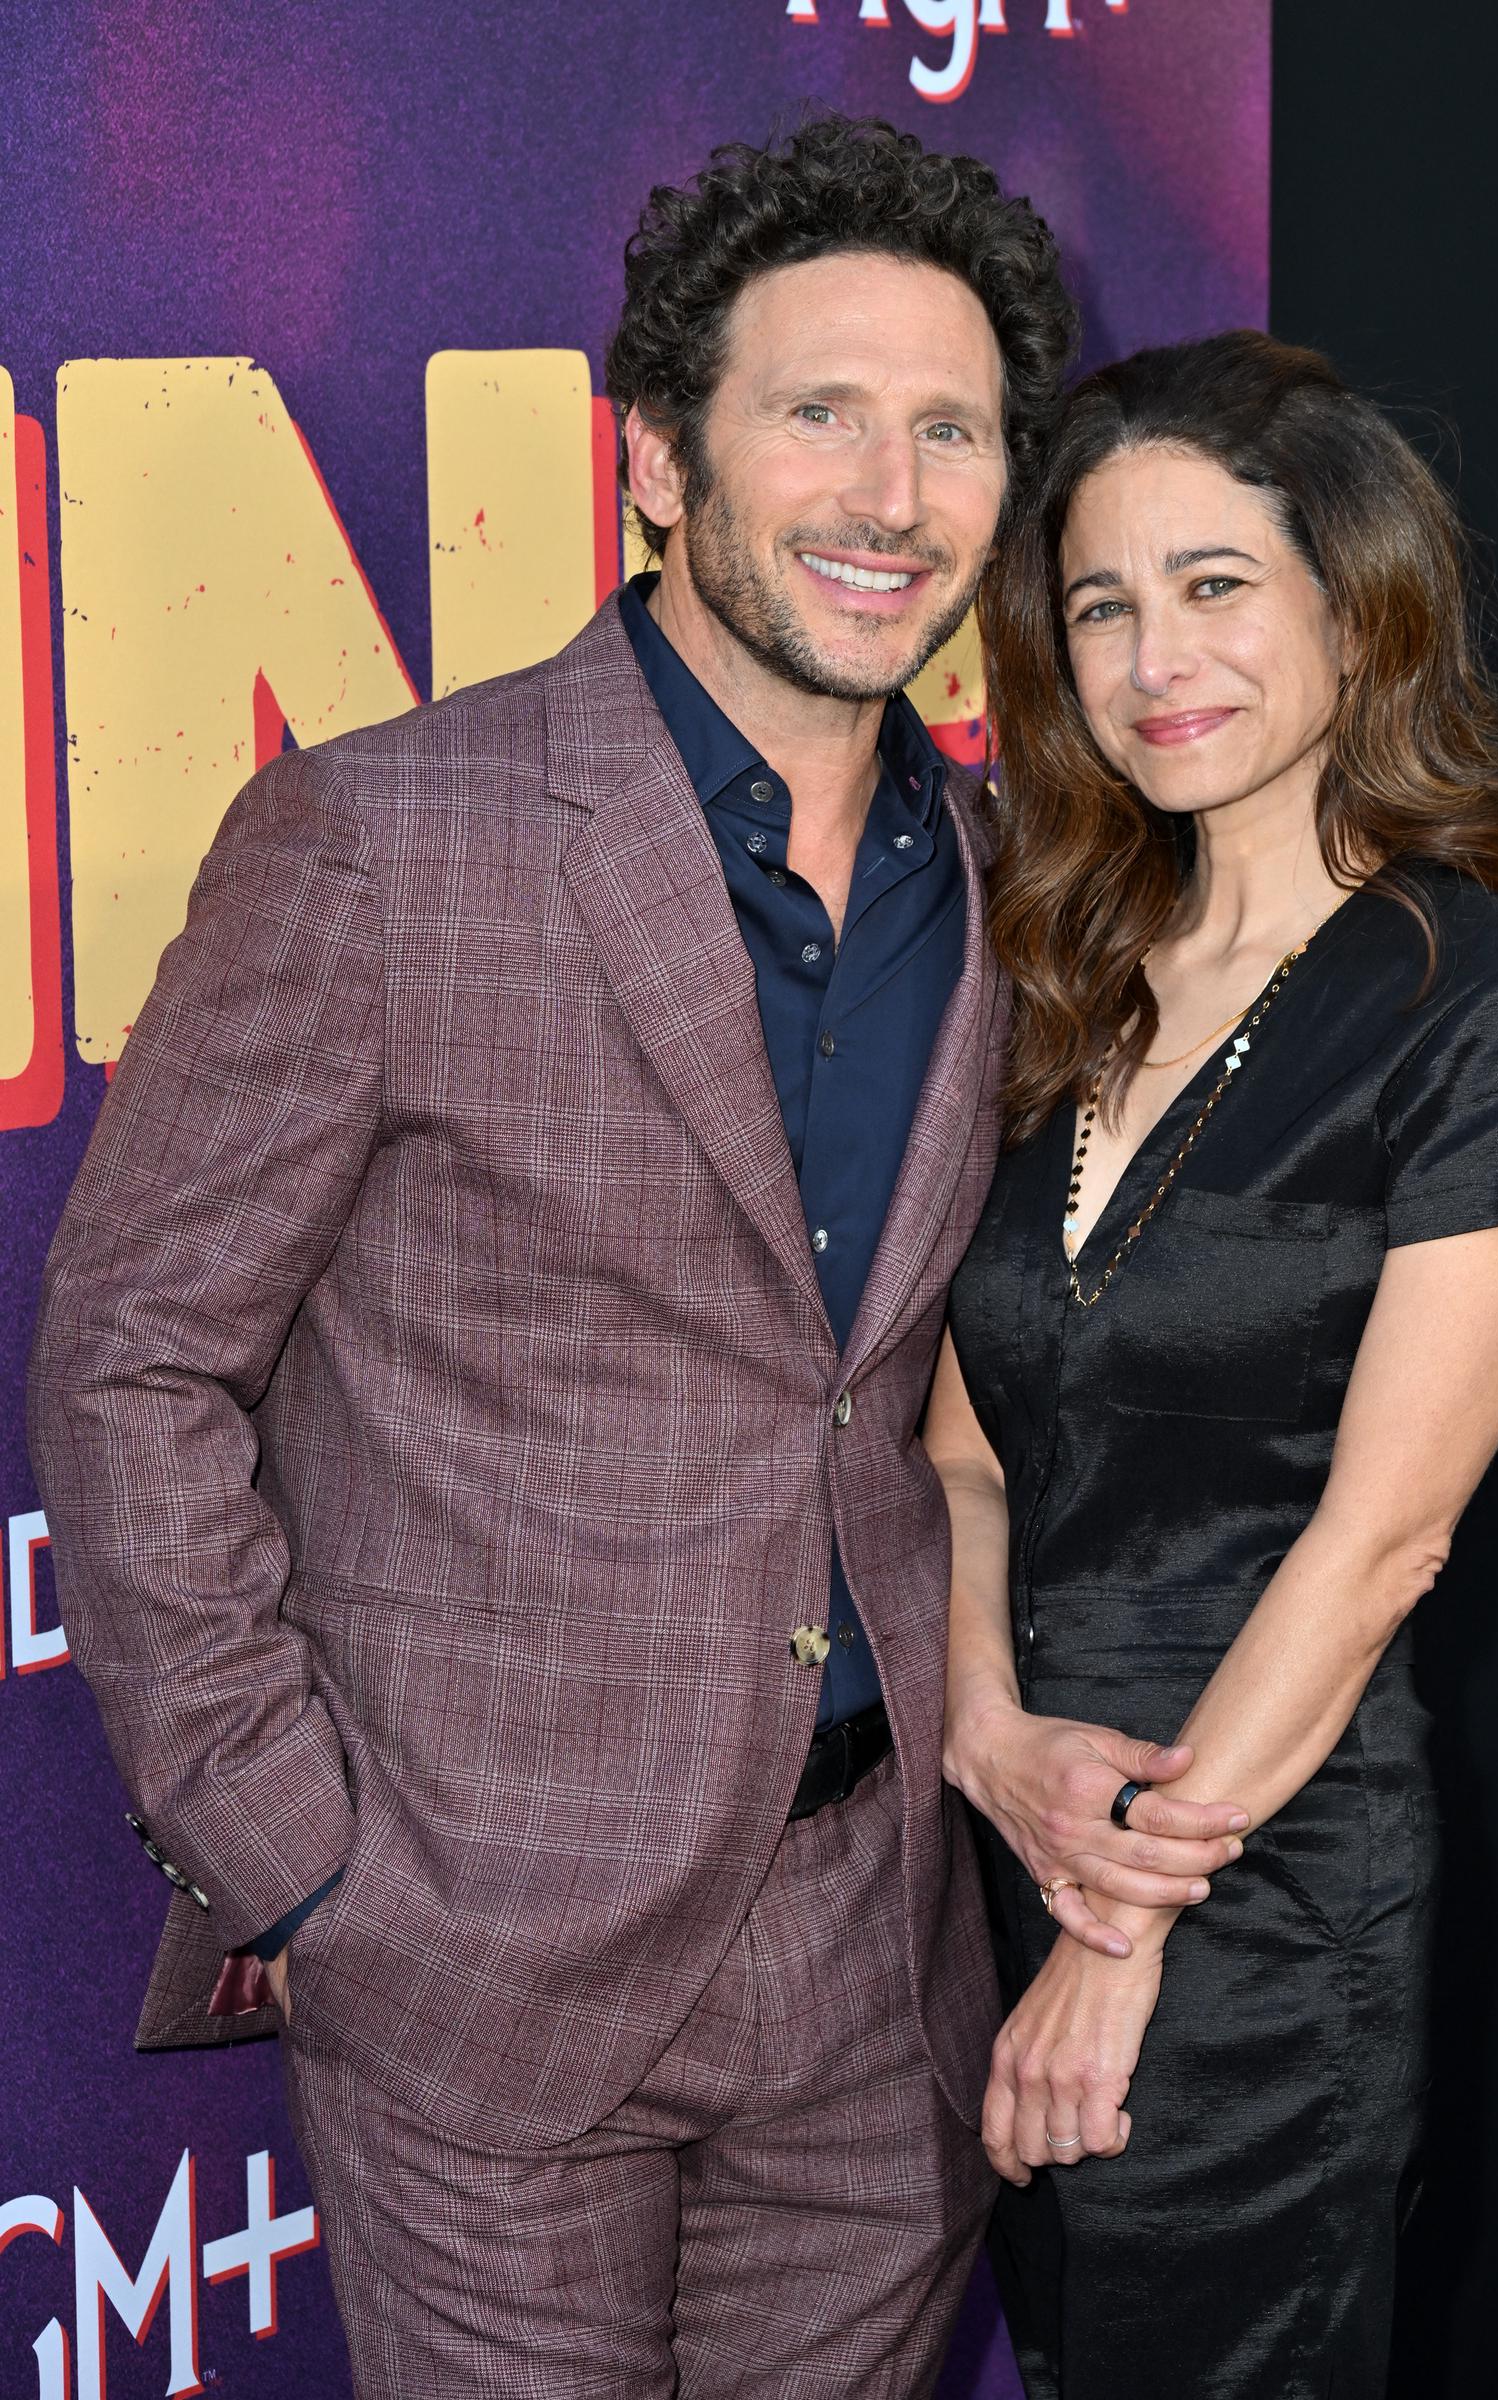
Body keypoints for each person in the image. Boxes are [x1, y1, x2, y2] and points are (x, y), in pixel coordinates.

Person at [27, 118, 1244, 2399]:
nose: (892, 491)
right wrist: (310, 1872)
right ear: (661, 463)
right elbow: (135, 1364)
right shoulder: (387, 841)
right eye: (820, 413)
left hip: (879, 1980)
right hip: (478, 1950)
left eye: (952, 428)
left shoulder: (1008, 879)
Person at [923, 330, 1498, 2399]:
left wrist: (1119, 1939)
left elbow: (1385, 1539)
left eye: (1217, 586)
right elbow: (968, 1452)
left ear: (1354, 606)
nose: (1159, 655)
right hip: (1020, 1827)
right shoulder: (1056, 964)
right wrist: (984, 1738)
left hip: (1250, 1874)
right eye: (1105, 602)